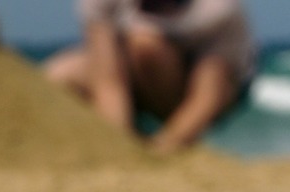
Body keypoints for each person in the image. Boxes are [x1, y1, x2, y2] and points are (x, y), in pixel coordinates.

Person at [45, 0, 257, 154]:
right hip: (133, 72)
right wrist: (118, 143)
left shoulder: (218, 10)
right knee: (57, 76)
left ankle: (166, 139)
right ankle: (119, 141)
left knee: (145, 46)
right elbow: (108, 81)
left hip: (217, 83)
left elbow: (208, 96)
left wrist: (163, 147)